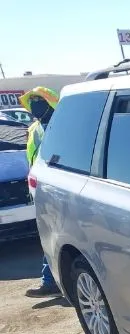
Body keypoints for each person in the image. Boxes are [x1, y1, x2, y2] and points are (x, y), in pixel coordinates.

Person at [20, 87, 61, 298]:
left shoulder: (63, 124)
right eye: (32, 101)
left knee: (60, 234)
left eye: (39, 100)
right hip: (41, 187)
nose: (35, 105)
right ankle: (50, 281)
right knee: (50, 234)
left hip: (60, 187)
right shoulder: (35, 128)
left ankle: (51, 281)